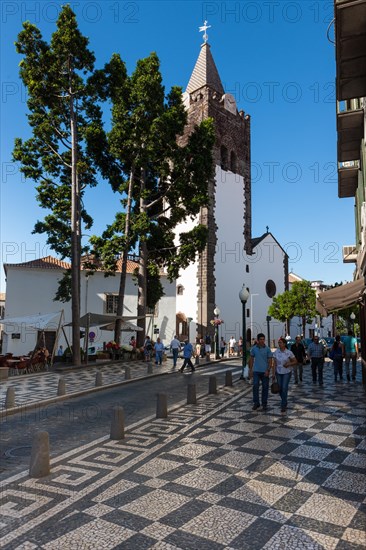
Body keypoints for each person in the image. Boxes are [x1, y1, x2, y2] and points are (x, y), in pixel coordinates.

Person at [248, 333, 273, 412]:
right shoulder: (254, 349)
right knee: (255, 386)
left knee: (265, 387)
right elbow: (251, 359)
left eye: (263, 339)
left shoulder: (267, 349)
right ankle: (256, 403)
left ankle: (264, 404)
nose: (262, 341)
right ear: (257, 340)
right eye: (261, 339)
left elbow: (270, 361)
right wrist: (250, 370)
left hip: (264, 371)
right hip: (256, 371)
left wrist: (268, 370)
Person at [274, 337, 297, 413]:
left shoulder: (289, 352)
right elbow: (274, 363)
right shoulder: (276, 352)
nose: (279, 344)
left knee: (284, 387)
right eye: (279, 343)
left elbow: (295, 361)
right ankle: (284, 400)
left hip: (287, 372)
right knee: (280, 388)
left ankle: (283, 404)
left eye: (280, 343)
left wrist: (289, 363)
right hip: (278, 372)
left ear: (284, 344)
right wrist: (273, 373)